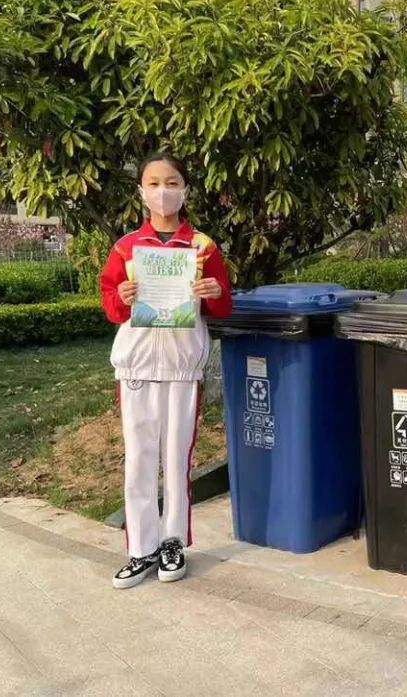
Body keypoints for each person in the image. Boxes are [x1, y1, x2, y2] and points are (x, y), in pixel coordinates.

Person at [99, 152, 232, 589]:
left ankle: (173, 542)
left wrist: (212, 291)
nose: (163, 191)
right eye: (153, 183)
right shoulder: (125, 248)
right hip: (136, 364)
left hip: (180, 366)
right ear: (141, 191)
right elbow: (111, 307)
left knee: (177, 459)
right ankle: (141, 548)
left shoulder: (202, 247)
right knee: (138, 459)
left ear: (186, 189)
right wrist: (122, 293)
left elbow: (222, 304)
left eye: (171, 182)